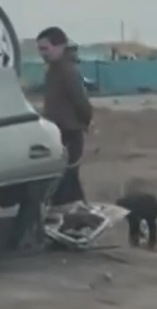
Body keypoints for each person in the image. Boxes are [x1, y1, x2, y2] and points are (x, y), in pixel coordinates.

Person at [36, 26, 93, 207]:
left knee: (66, 179)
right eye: (40, 49)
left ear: (60, 46)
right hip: (57, 131)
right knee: (65, 179)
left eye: (45, 48)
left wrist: (87, 121)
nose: (42, 53)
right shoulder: (54, 69)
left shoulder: (67, 70)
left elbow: (81, 101)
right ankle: (76, 210)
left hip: (69, 132)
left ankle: (73, 214)